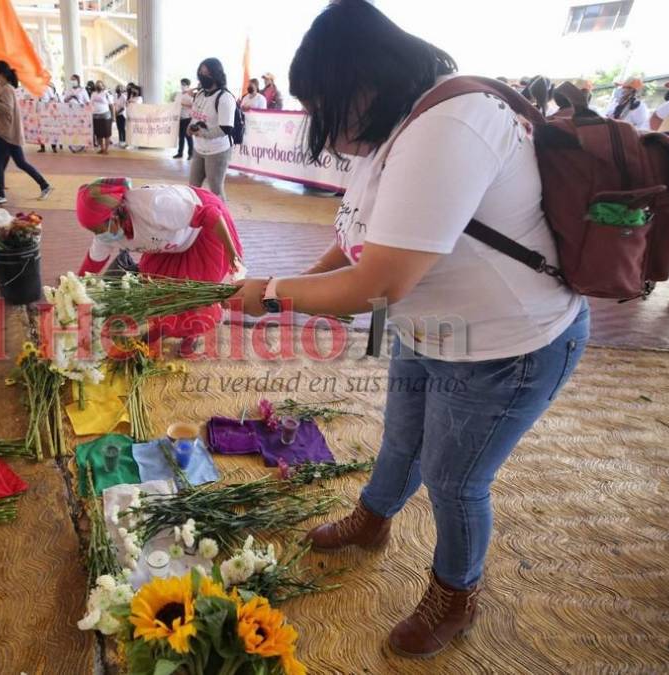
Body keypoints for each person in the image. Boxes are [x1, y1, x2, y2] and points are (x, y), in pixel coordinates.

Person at [228, 0, 588, 658]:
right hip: (435, 332)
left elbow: (379, 284)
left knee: (454, 480)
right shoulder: (395, 129)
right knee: (399, 440)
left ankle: (455, 591)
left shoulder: (449, 125)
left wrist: (274, 296)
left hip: (509, 347)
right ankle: (373, 520)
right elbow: (358, 242)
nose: (323, 126)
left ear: (363, 81)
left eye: (324, 104)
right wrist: (291, 280)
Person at [74, 177, 243, 347]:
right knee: (157, 289)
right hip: (168, 244)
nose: (98, 234)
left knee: (194, 295)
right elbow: (92, 264)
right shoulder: (107, 234)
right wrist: (73, 290)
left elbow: (210, 215)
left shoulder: (155, 205)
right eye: (92, 230)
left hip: (202, 232)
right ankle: (164, 328)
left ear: (114, 215)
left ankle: (192, 334)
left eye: (98, 229)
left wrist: (232, 253)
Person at [0, 60, 53, 204]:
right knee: (20, 163)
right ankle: (44, 185)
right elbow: (1, 108)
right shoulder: (3, 88)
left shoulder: (7, 89)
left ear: (1, 73)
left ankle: (0, 193)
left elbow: (7, 109)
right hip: (8, 133)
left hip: (6, 133)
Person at [188, 58, 237, 201]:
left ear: (216, 75)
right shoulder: (200, 94)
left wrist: (203, 133)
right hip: (199, 149)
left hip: (218, 151)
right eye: (201, 73)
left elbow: (226, 128)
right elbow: (195, 116)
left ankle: (223, 221)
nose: (203, 76)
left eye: (207, 73)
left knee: (216, 191)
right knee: (193, 188)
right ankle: (198, 218)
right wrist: (191, 128)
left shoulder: (225, 98)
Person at [64, 74, 90, 152]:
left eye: (74, 80)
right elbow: (65, 100)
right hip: (71, 113)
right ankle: (72, 146)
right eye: (71, 80)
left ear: (78, 81)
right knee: (72, 130)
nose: (72, 81)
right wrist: (70, 97)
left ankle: (82, 145)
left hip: (80, 113)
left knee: (80, 129)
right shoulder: (69, 90)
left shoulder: (82, 90)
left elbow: (87, 102)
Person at [173, 78, 195, 159]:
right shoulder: (179, 94)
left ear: (188, 85)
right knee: (181, 136)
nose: (182, 86)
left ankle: (190, 154)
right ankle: (180, 153)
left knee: (188, 136)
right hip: (180, 117)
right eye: (181, 84)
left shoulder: (190, 94)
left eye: (184, 84)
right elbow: (175, 103)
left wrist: (182, 104)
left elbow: (193, 105)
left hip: (187, 117)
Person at [91, 80, 114, 154]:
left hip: (105, 116)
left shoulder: (106, 93)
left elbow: (111, 105)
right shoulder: (93, 94)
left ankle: (106, 149)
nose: (98, 86)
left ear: (103, 86)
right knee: (99, 134)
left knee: (106, 134)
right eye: (97, 85)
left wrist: (113, 117)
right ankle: (102, 148)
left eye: (100, 85)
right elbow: (90, 104)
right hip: (96, 116)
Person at [38, 82, 61, 153]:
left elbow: (53, 98)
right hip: (39, 112)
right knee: (41, 130)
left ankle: (53, 147)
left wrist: (47, 104)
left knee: (51, 129)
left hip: (48, 112)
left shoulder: (47, 88)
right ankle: (42, 147)